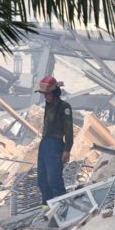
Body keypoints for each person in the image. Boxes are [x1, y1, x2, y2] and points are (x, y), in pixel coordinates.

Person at [36, 75, 73, 207]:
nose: (45, 96)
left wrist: (67, 150)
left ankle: (64, 208)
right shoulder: (48, 105)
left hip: (55, 145)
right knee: (42, 181)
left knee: (54, 180)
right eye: (44, 94)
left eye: (47, 94)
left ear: (54, 92)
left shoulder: (64, 106)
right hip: (45, 144)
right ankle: (46, 209)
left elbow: (69, 130)